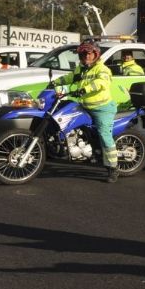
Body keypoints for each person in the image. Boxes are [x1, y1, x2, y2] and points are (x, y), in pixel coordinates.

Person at [52, 41, 120, 183]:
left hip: (102, 108)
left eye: (89, 53)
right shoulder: (81, 69)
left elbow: (101, 82)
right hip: (85, 106)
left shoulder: (102, 69)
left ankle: (113, 167)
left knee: (104, 135)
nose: (86, 56)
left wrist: (85, 89)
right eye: (83, 54)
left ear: (96, 54)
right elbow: (69, 77)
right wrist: (55, 82)